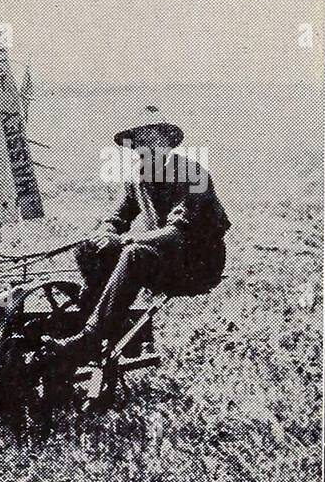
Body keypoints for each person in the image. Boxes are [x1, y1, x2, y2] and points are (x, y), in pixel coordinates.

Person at [47, 111, 230, 366]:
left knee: (133, 255)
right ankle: (115, 326)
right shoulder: (138, 177)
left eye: (150, 140)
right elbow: (117, 216)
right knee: (86, 249)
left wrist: (123, 241)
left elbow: (177, 232)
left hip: (196, 266)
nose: (143, 148)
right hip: (165, 259)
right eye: (138, 143)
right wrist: (105, 232)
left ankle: (89, 340)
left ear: (167, 141)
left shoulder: (192, 173)